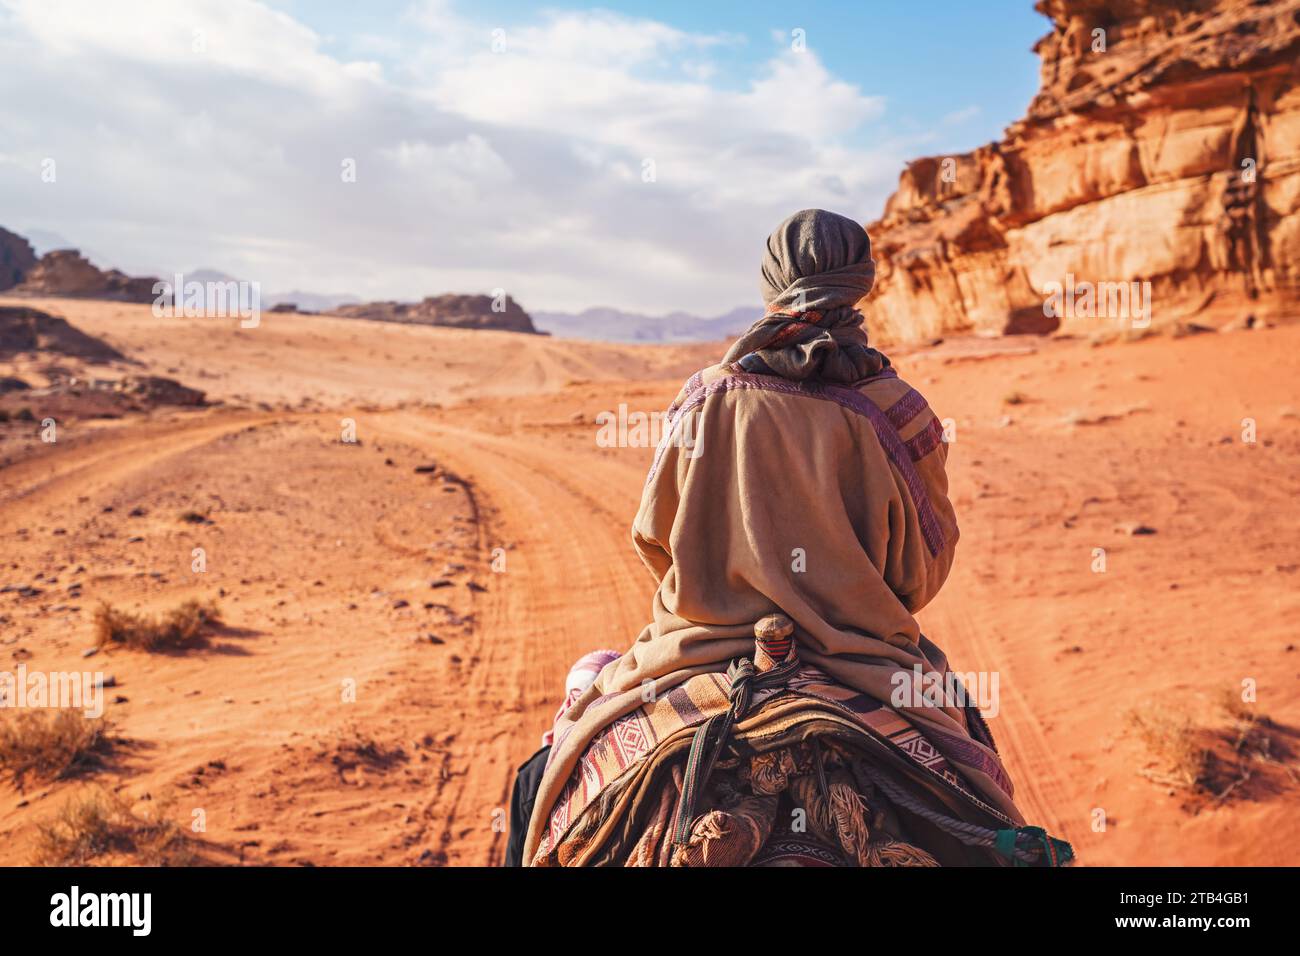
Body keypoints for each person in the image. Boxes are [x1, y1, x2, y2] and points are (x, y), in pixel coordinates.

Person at [515, 209, 1070, 867]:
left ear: (770, 284)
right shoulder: (901, 410)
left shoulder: (704, 396)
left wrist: (719, 580)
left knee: (541, 780)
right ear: (860, 282)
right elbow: (921, 573)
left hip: (696, 651)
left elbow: (654, 539)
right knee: (983, 795)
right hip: (867, 661)